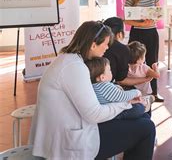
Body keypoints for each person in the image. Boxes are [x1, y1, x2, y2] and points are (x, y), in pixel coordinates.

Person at [29, 21, 156, 159]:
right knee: (146, 128)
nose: (107, 47)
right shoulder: (73, 67)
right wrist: (126, 104)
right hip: (68, 141)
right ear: (93, 44)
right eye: (106, 43)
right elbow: (94, 114)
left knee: (142, 118)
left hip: (68, 129)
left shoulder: (69, 60)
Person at [124, 0, 164, 102]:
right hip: (137, 33)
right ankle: (132, 91)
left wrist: (151, 21)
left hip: (151, 33)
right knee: (134, 61)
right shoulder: (130, 0)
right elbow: (127, 20)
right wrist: (141, 22)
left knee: (152, 61)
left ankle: (154, 93)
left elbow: (159, 15)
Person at [85, 57, 154, 119]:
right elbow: (123, 96)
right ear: (102, 77)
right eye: (109, 70)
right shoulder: (105, 87)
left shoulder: (95, 86)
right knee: (138, 108)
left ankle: (142, 102)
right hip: (115, 115)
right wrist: (136, 92)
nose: (111, 72)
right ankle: (144, 103)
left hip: (112, 108)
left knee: (143, 113)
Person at [103, 16, 151, 88]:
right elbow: (121, 80)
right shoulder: (123, 49)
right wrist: (145, 79)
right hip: (108, 87)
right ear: (120, 34)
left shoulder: (98, 44)